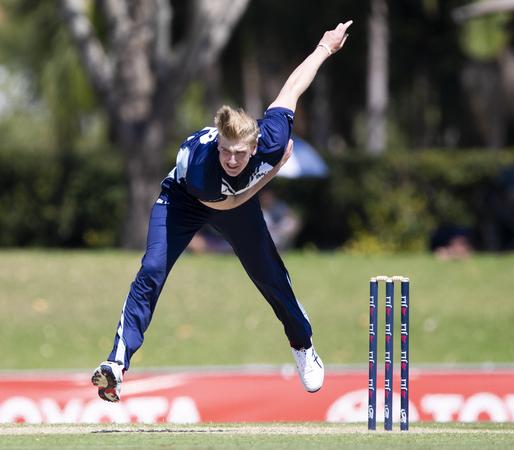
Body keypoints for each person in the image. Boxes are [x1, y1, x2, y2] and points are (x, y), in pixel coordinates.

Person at [91, 21, 353, 402]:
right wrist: (273, 173)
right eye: (225, 150)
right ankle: (116, 364)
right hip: (185, 200)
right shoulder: (203, 166)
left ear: (254, 144)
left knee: (269, 274)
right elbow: (228, 202)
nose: (231, 158)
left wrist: (324, 48)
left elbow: (293, 87)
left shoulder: (273, 136)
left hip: (238, 202)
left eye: (239, 152)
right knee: (152, 269)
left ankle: (302, 344)